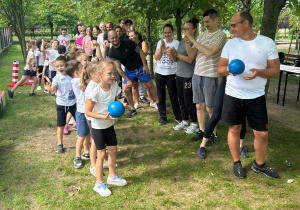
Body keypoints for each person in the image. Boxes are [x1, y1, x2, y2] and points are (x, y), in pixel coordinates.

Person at [218, 11, 280, 179]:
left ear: (246, 23)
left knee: (261, 133)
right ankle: (236, 162)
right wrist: (228, 70)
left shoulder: (267, 43)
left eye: (233, 25)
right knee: (234, 128)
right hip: (233, 94)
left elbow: (275, 71)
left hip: (256, 96)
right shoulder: (230, 45)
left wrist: (259, 72)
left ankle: (259, 165)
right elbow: (220, 69)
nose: (230, 28)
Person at [86, 58, 127, 197]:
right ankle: (99, 183)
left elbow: (114, 101)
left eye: (114, 73)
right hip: (98, 125)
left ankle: (112, 176)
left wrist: (121, 104)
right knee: (101, 154)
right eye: (109, 73)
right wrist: (102, 117)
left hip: (109, 124)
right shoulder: (95, 92)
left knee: (113, 150)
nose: (113, 76)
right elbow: (88, 112)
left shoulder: (114, 86)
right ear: (100, 74)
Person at [183, 9, 227, 141]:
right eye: (204, 22)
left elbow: (209, 52)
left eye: (208, 21)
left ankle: (213, 133)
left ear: (216, 19)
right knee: (199, 105)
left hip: (210, 75)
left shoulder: (221, 35)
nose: (206, 24)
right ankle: (202, 131)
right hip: (197, 74)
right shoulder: (202, 35)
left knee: (210, 107)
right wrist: (187, 42)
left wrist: (192, 39)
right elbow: (192, 54)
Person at [103, 30, 155, 118]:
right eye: (112, 38)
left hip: (140, 66)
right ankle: (133, 109)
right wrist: (127, 80)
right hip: (129, 70)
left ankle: (156, 103)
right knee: (126, 88)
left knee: (149, 84)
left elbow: (141, 52)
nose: (115, 39)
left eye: (116, 37)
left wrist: (145, 65)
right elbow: (118, 68)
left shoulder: (128, 42)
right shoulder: (112, 52)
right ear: (108, 39)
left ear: (118, 36)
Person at [168, 18, 199, 133]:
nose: (185, 31)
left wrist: (176, 54)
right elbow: (177, 59)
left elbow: (190, 59)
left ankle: (194, 123)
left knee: (189, 101)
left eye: (188, 29)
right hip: (179, 75)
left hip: (188, 76)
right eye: (184, 29)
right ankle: (185, 121)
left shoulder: (195, 43)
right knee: (181, 99)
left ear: (194, 29)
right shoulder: (181, 42)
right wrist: (171, 54)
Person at [45, 56, 77, 153]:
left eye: (62, 65)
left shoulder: (73, 76)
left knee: (80, 123)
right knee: (60, 125)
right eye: (57, 66)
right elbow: (53, 89)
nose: (60, 68)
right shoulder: (57, 78)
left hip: (74, 104)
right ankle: (60, 144)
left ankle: (84, 141)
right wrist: (50, 89)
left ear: (67, 65)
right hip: (61, 105)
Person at [154, 24, 182, 125]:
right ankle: (162, 117)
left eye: (169, 32)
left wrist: (166, 49)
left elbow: (175, 59)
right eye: (165, 33)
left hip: (171, 73)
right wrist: (161, 48)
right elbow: (156, 58)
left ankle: (178, 116)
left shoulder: (176, 43)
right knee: (161, 96)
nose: (167, 35)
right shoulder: (160, 42)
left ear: (172, 32)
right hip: (160, 73)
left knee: (173, 96)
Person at [65, 60, 91, 169]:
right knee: (81, 135)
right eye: (82, 69)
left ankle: (86, 151)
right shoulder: (75, 81)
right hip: (81, 113)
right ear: (77, 72)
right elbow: (86, 81)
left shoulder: (79, 80)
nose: (84, 70)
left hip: (89, 111)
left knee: (88, 132)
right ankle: (77, 156)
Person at [129, 30, 158, 109]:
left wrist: (135, 47)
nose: (130, 37)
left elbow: (144, 54)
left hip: (142, 66)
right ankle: (137, 103)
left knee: (148, 85)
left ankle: (153, 102)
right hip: (132, 68)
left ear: (137, 35)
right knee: (134, 86)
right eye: (129, 36)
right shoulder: (129, 44)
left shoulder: (142, 43)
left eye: (132, 35)